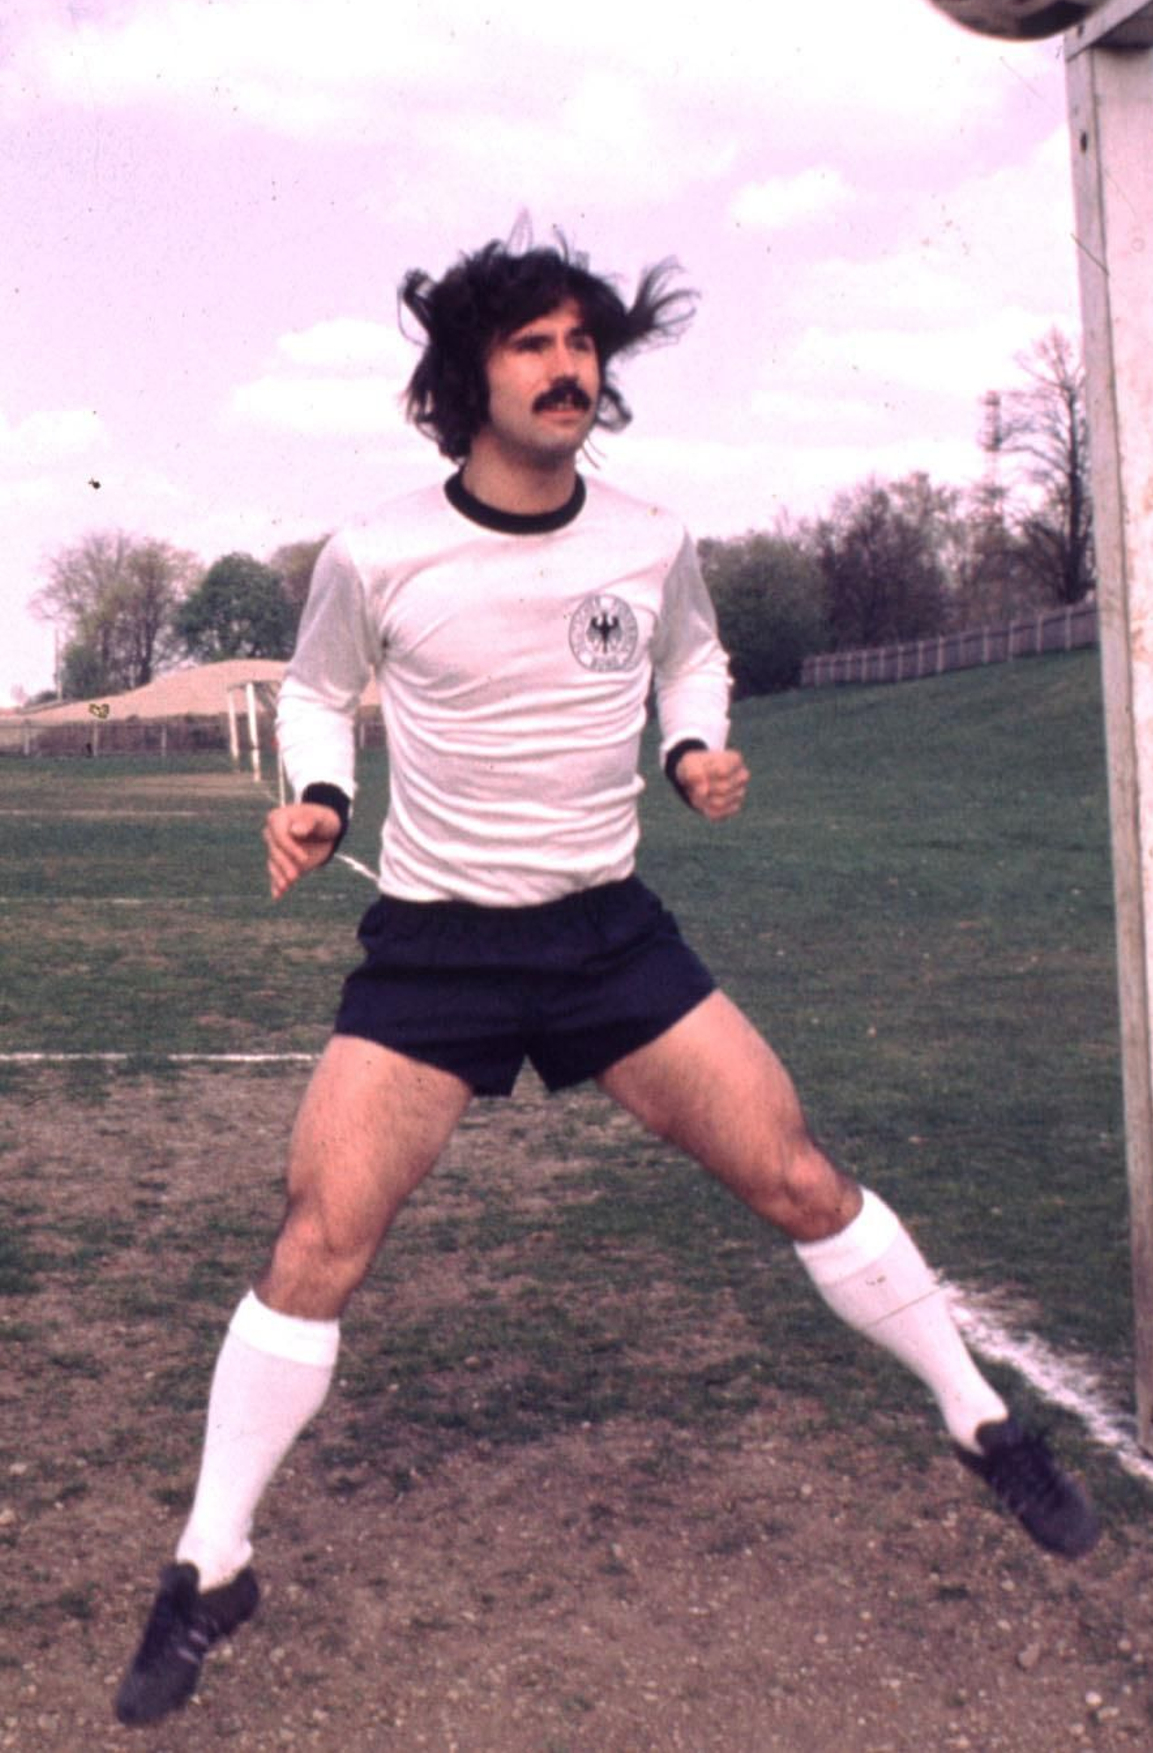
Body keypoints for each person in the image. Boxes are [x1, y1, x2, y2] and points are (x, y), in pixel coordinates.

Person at [115, 231, 1098, 1728]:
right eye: (533, 343)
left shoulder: (649, 539)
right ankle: (210, 1563)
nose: (567, 366)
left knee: (798, 1173)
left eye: (583, 343)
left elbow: (692, 659)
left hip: (605, 937)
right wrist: (319, 794)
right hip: (440, 945)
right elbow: (318, 690)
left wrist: (693, 746)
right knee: (318, 1237)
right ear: (469, 376)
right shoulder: (377, 552)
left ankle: (982, 1424)